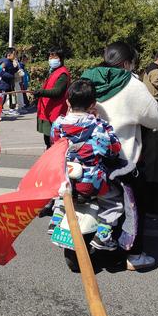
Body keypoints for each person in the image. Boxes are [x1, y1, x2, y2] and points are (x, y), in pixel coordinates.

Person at [81, 41, 158, 270]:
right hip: (121, 159)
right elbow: (154, 117)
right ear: (126, 62)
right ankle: (134, 255)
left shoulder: (86, 78)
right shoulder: (130, 84)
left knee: (90, 199)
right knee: (135, 207)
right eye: (132, 63)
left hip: (86, 156)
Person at [51, 79, 123, 251]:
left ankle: (56, 218)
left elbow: (54, 145)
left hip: (65, 178)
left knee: (61, 194)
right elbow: (114, 148)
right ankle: (103, 235)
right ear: (93, 104)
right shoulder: (99, 126)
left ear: (67, 102)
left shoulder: (58, 124)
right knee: (114, 201)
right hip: (91, 183)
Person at [33, 47, 70, 149]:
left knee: (53, 140)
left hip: (55, 111)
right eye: (50, 56)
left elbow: (58, 92)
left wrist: (41, 92)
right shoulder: (54, 71)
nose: (51, 58)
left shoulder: (63, 74)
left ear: (61, 58)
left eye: (54, 56)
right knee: (47, 139)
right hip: (47, 110)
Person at [0, 47, 20, 116]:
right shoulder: (4, 62)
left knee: (12, 96)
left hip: (10, 83)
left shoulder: (11, 62)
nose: (15, 56)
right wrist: (12, 76)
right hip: (4, 83)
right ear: (9, 54)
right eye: (14, 54)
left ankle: (12, 109)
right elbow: (1, 73)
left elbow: (12, 70)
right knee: (2, 98)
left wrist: (16, 68)